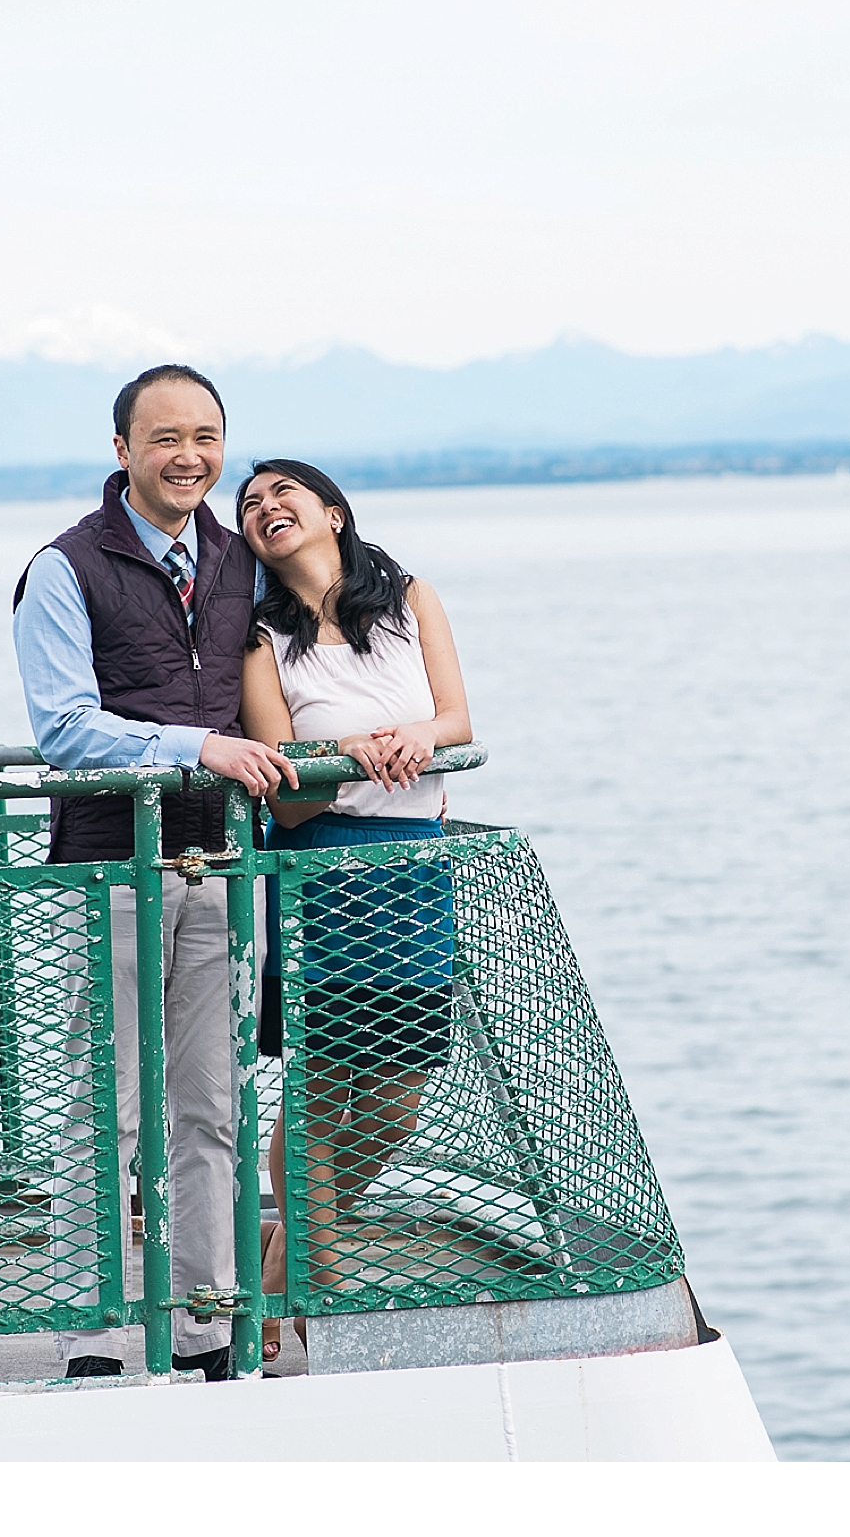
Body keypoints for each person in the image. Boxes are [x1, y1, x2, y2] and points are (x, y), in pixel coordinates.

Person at [11, 364, 299, 1383]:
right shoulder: (64, 567)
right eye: (165, 437)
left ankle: (205, 1321)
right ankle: (91, 1330)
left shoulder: (235, 559)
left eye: (207, 437)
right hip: (108, 867)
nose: (190, 456)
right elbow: (63, 730)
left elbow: (312, 640)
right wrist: (198, 747)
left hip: (220, 861)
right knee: (107, 1105)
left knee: (211, 1103)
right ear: (123, 450)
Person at [232, 458, 473, 1363]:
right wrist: (344, 753)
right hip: (318, 877)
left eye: (282, 492)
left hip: (414, 871)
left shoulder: (409, 598)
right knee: (323, 1087)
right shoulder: (260, 634)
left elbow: (456, 717)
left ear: (332, 510)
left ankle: (284, 1251)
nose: (265, 507)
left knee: (399, 1094)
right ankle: (320, 1293)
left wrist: (414, 735)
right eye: (251, 504)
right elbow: (283, 775)